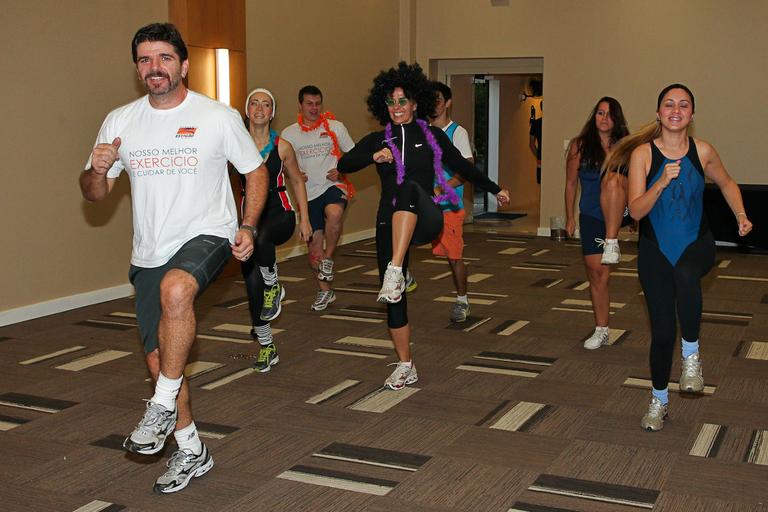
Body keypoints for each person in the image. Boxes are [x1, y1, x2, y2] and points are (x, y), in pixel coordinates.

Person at [79, 23, 268, 493]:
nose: (154, 68)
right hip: (149, 249)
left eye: (164, 58)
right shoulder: (120, 121)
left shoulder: (217, 116)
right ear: (137, 68)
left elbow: (256, 172)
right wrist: (97, 170)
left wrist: (247, 225)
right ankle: (191, 450)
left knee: (176, 289)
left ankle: (159, 405)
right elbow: (94, 193)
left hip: (208, 233)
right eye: (144, 59)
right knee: (163, 359)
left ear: (183, 64)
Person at [338, 62, 510, 390]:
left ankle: (396, 269)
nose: (397, 108)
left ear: (416, 103)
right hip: (390, 223)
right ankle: (406, 363)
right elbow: (344, 163)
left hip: (427, 218)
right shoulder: (378, 140)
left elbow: (463, 166)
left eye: (403, 101)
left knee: (408, 188)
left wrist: (495, 189)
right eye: (391, 102)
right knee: (394, 299)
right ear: (383, 106)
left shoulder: (430, 135)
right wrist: (374, 157)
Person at [607, 83, 752, 431]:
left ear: (692, 114)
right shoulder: (643, 154)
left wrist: (741, 215)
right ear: (658, 113)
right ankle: (659, 399)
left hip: (696, 243)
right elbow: (636, 212)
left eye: (683, 105)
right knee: (661, 334)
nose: (676, 110)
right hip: (655, 250)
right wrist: (660, 183)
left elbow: (728, 183)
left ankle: (692, 357)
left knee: (687, 276)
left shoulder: (702, 152)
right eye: (669, 104)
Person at [240, 88, 312, 372]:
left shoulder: (282, 146)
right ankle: (267, 345)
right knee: (251, 284)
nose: (259, 108)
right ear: (247, 110)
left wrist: (305, 219)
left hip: (280, 215)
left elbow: (297, 181)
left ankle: (274, 283)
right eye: (254, 103)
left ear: (272, 113)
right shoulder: (236, 145)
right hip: (250, 221)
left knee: (264, 236)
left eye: (266, 104)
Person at [280, 86, 355, 312]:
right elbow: (280, 165)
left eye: (317, 103)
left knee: (335, 213)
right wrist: (291, 173)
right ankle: (325, 291)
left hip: (333, 185)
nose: (314, 108)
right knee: (314, 247)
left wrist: (341, 170)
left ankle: (329, 259)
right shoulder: (289, 134)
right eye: (309, 104)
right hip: (307, 193)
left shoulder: (335, 127)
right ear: (300, 105)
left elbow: (353, 155)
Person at [564, 97, 630, 349]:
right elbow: (571, 184)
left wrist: (636, 216)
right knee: (597, 273)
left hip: (619, 210)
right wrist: (570, 217)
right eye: (600, 113)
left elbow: (637, 179)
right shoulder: (579, 146)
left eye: (609, 114)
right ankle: (602, 329)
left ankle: (612, 240)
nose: (604, 118)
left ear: (617, 120)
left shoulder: (626, 146)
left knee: (612, 180)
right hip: (591, 214)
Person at [430, 81, 475, 322]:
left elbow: (467, 169)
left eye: (438, 100)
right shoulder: (423, 131)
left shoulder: (457, 133)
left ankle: (462, 300)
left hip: (449, 206)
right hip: (426, 204)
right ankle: (402, 277)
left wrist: (442, 188)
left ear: (447, 103)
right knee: (400, 237)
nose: (434, 105)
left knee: (454, 257)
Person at [529, 100, 542, 186]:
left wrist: (538, 154)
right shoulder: (553, 123)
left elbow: (531, 144)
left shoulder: (536, 123)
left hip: (540, 157)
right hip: (545, 157)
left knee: (542, 183)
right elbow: (531, 144)